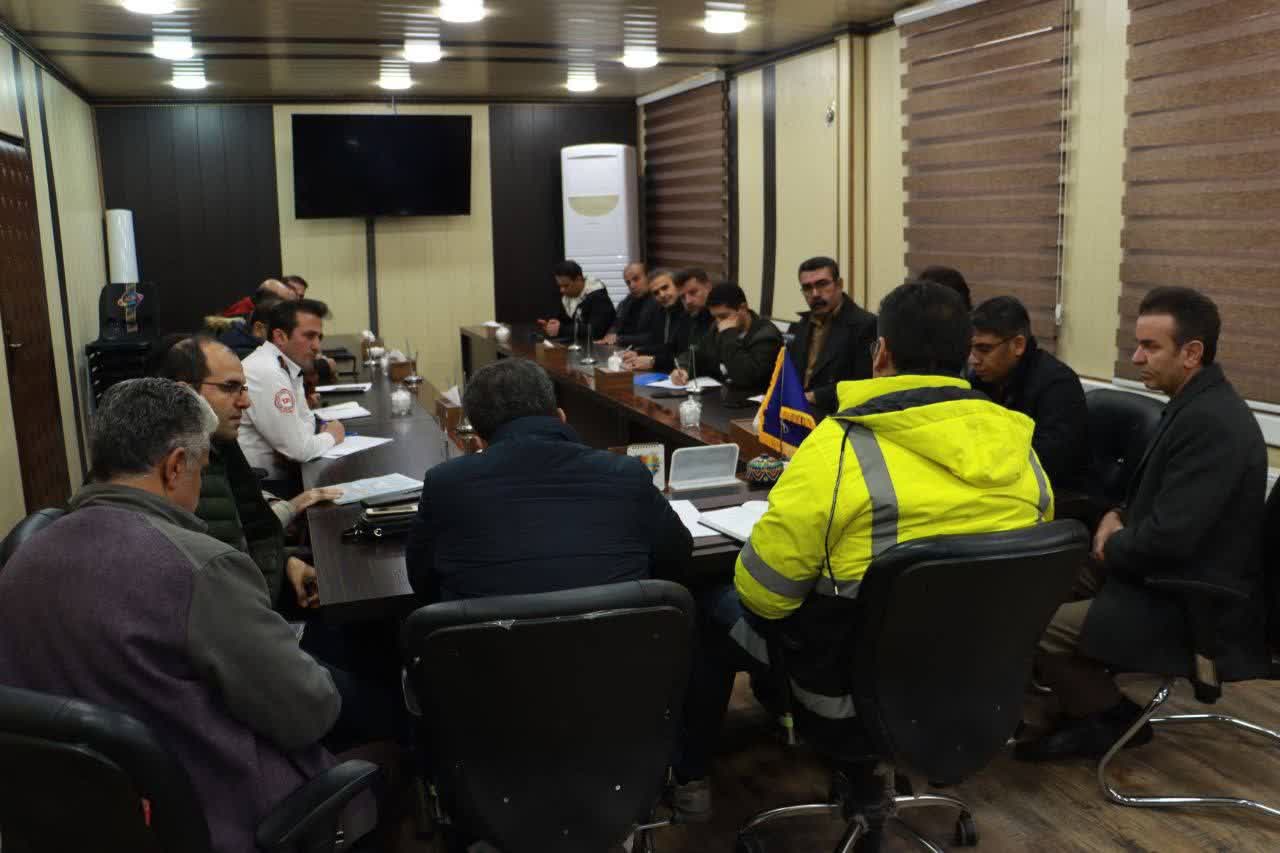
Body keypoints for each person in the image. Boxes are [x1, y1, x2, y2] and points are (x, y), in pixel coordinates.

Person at [674, 280, 1053, 818]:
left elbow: (764, 596)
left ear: (881, 354)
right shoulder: (1022, 449)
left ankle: (691, 775)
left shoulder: (838, 446)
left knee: (711, 602)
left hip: (846, 697)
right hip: (972, 686)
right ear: (964, 356)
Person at [0, 378, 351, 853]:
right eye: (201, 471)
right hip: (221, 821)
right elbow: (309, 713)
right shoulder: (200, 567)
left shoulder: (20, 563)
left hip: (74, 827)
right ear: (176, 466)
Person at [1017, 287, 1269, 762]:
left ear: (1191, 353)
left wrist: (1111, 545)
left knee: (1038, 626)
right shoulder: (1194, 404)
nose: (1136, 358)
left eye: (1150, 347)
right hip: (1155, 572)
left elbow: (1171, 539)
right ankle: (1073, 700)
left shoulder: (1213, 425)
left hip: (1188, 600)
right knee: (1030, 583)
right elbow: (1157, 501)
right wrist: (1117, 516)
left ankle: (1108, 718)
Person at [405, 358, 693, 603]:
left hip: (490, 651)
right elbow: (676, 557)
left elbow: (423, 583)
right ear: (561, 417)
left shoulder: (445, 484)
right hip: (620, 648)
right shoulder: (627, 474)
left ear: (479, 440)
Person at [151, 334, 341, 613]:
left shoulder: (218, 441)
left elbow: (245, 542)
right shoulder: (179, 468)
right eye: (230, 388)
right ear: (185, 394)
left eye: (244, 389)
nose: (245, 402)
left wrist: (286, 562)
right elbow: (224, 593)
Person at [969, 296, 1089, 489]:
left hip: (1054, 492)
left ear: (1018, 345)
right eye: (971, 349)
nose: (974, 360)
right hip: (998, 483)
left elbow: (1049, 462)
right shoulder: (979, 380)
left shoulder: (1058, 385)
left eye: (984, 349)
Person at [239, 298, 345, 491]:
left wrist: (299, 441)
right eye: (309, 336)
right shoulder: (267, 371)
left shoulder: (285, 365)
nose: (317, 346)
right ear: (280, 336)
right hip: (264, 489)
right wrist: (332, 435)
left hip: (279, 478)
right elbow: (299, 450)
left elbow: (305, 426)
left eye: (319, 337)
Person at [786, 256, 878, 416]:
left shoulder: (864, 325)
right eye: (807, 288)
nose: (815, 294)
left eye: (822, 284)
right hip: (799, 412)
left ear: (839, 284)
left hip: (838, 415)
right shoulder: (802, 325)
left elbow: (862, 384)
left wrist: (814, 396)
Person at [670, 282, 782, 395]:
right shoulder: (717, 327)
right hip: (724, 395)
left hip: (754, 399)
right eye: (715, 317)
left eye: (724, 316)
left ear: (743, 308)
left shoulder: (766, 336)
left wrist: (729, 334)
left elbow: (746, 376)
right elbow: (698, 353)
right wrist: (684, 368)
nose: (719, 322)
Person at [624, 268, 714, 373]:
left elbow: (699, 358)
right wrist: (639, 352)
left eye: (693, 292)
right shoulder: (685, 314)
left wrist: (654, 361)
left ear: (708, 287)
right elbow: (672, 347)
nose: (688, 301)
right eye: (683, 297)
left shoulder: (717, 316)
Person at [536, 260, 617, 344]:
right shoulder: (568, 298)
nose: (562, 290)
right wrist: (551, 327)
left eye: (566, 285)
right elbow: (565, 324)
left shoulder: (599, 297)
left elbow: (595, 331)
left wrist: (561, 329)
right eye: (560, 286)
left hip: (600, 348)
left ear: (578, 279)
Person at [620, 269, 683, 370]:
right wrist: (638, 352)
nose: (662, 295)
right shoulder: (662, 310)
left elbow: (683, 356)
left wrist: (654, 361)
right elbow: (667, 347)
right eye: (656, 293)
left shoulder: (687, 312)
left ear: (678, 286)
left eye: (665, 288)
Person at [599, 261, 660, 347]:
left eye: (636, 279)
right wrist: (610, 335)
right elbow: (615, 325)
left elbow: (654, 337)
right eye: (628, 282)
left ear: (648, 277)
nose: (632, 285)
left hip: (643, 350)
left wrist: (619, 339)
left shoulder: (659, 301)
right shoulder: (626, 302)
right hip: (620, 348)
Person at [219, 293, 280, 359]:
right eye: (279, 333)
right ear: (258, 328)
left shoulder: (234, 335)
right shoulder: (252, 358)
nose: (283, 339)